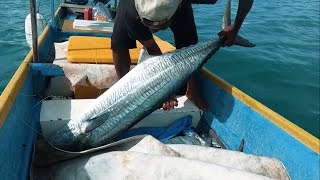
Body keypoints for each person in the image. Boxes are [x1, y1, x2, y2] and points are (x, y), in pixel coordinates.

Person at [111, 0, 254, 111]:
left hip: (176, 6)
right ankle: (123, 93)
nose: (153, 31)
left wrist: (236, 28)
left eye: (158, 27)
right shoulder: (131, 11)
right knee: (119, 40)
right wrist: (163, 90)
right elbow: (153, 49)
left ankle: (192, 91)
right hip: (134, 9)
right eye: (148, 24)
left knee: (188, 41)